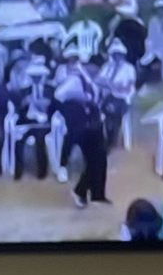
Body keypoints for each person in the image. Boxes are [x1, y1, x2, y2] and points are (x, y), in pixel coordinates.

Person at [55, 47, 110, 207]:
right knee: (93, 157)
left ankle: (97, 194)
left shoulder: (90, 78)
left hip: (93, 119)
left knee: (100, 157)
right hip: (78, 120)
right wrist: (78, 99)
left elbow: (96, 96)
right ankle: (79, 189)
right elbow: (59, 95)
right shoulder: (72, 78)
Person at [11, 59, 55, 180]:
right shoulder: (25, 91)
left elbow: (54, 107)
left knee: (40, 141)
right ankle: (18, 173)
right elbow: (19, 110)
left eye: (38, 76)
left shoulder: (49, 90)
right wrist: (24, 104)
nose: (36, 79)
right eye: (34, 76)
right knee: (18, 141)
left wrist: (43, 104)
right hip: (28, 122)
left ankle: (42, 173)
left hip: (44, 124)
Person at [98, 39, 137, 151]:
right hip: (108, 97)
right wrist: (110, 85)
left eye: (119, 54)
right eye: (115, 54)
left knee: (116, 110)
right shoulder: (107, 67)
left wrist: (117, 87)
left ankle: (120, 140)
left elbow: (130, 85)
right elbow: (98, 80)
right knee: (102, 109)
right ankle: (106, 138)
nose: (117, 57)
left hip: (123, 97)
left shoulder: (129, 68)